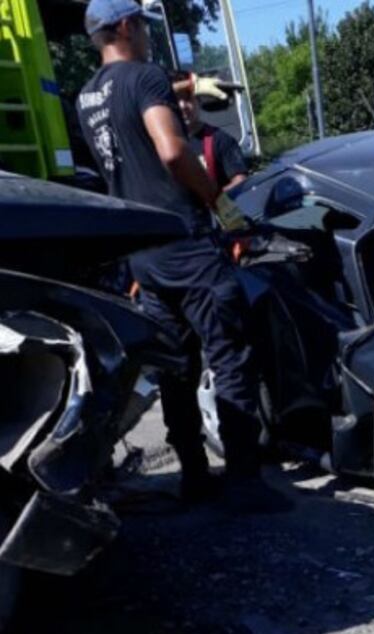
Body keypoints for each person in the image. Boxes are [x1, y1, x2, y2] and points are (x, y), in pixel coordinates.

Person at [76, 0, 290, 512]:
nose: (148, 36)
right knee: (230, 357)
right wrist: (217, 202)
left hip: (142, 253)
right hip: (185, 243)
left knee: (175, 365)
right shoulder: (146, 77)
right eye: (143, 27)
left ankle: (194, 476)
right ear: (126, 25)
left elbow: (120, 147)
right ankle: (244, 483)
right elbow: (172, 150)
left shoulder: (86, 95)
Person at [174, 74, 248, 192]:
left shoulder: (221, 139)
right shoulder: (159, 146)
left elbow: (241, 181)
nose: (183, 106)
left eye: (188, 98)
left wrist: (218, 197)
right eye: (176, 100)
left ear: (198, 101)